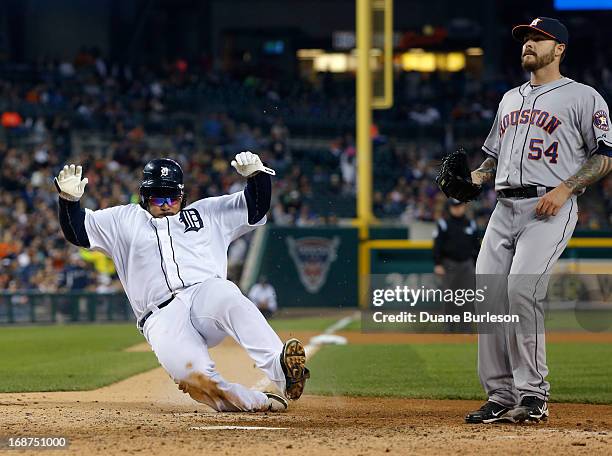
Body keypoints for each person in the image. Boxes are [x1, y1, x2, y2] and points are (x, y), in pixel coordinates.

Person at [54, 152, 310, 412]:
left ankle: (283, 370)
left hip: (205, 296)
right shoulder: (123, 221)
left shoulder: (208, 213)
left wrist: (257, 177)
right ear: (144, 197)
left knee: (227, 295)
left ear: (182, 195)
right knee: (198, 382)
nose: (166, 203)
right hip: (161, 318)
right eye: (158, 196)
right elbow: (78, 231)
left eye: (172, 196)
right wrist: (68, 202)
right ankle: (259, 402)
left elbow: (256, 207)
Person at [463, 17, 612, 424]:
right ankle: (498, 394)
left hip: (550, 208)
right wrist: (472, 179)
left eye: (538, 38)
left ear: (559, 48)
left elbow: (604, 155)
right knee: (489, 297)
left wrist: (565, 189)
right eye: (525, 38)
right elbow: (493, 156)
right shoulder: (509, 98)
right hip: (503, 208)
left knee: (521, 291)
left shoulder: (583, 97)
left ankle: (532, 395)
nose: (528, 44)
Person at [432, 199, 479, 332]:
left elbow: (477, 247)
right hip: (449, 264)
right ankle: (449, 327)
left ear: (463, 207)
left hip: (467, 263)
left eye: (459, 206)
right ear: (450, 208)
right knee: (449, 296)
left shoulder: (471, 224)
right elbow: (437, 246)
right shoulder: (444, 224)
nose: (457, 209)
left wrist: (477, 264)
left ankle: (466, 328)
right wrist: (438, 263)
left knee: (468, 296)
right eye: (454, 206)